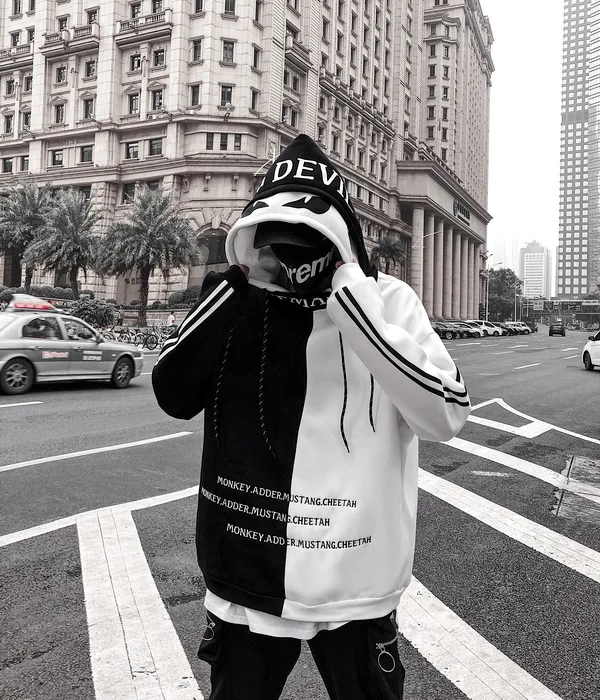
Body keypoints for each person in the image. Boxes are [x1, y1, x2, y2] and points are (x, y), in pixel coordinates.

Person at [152, 134, 471, 700]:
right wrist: (233, 293)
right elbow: (173, 394)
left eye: (305, 242)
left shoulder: (387, 300)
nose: (290, 259)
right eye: (273, 239)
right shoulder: (236, 299)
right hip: (248, 571)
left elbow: (445, 415)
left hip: (354, 579)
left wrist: (355, 306)